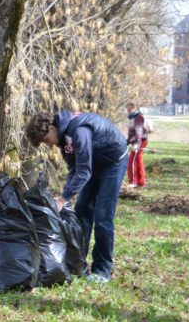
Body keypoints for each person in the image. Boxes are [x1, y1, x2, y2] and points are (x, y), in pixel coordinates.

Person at [25, 110, 127, 283]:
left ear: (51, 127)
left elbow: (84, 171)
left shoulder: (79, 131)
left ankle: (102, 270)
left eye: (46, 139)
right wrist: (64, 195)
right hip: (93, 165)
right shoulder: (64, 139)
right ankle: (79, 263)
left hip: (113, 162)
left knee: (102, 216)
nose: (48, 144)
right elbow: (74, 169)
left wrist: (63, 199)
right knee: (81, 211)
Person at [125, 102, 148, 187]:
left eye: (130, 109)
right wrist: (127, 142)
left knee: (132, 161)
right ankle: (141, 182)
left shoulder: (138, 117)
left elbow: (139, 132)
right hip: (135, 141)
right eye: (127, 109)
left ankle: (133, 182)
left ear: (134, 108)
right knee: (139, 161)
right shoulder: (132, 118)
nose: (128, 111)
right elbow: (131, 133)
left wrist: (136, 144)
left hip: (140, 141)